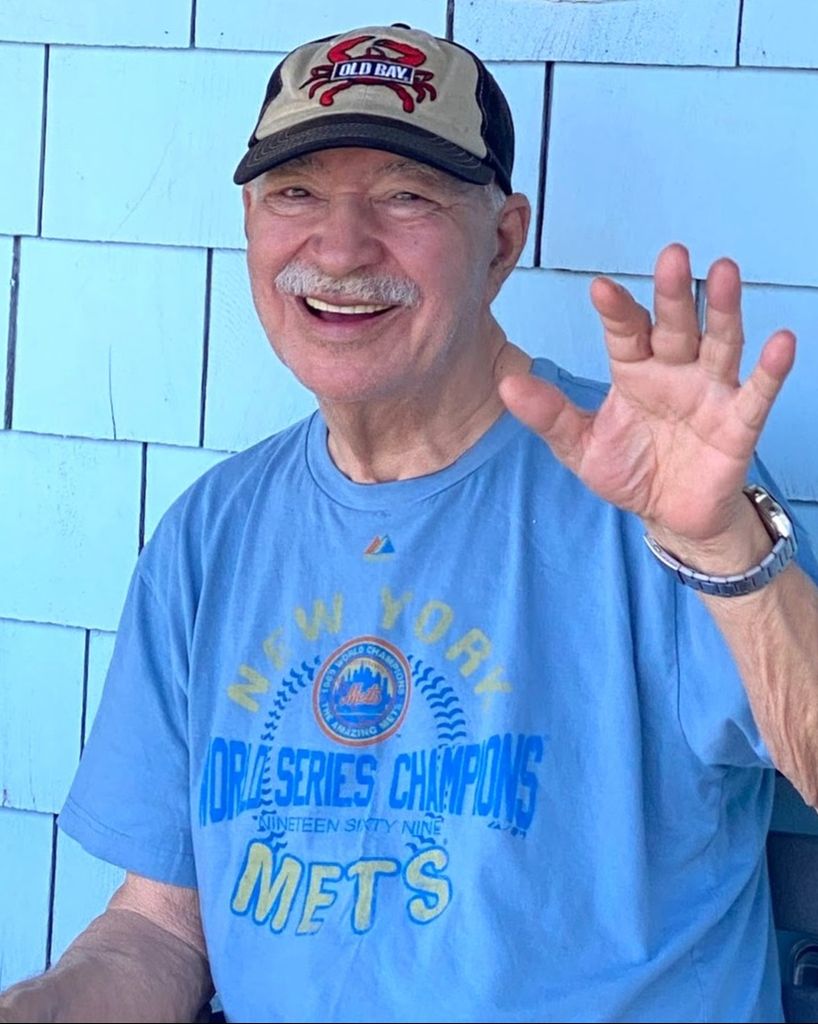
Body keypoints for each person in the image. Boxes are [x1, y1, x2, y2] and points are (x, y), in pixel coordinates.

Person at [1, 21, 817, 1024]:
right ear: (250, 221)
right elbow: (161, 928)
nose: (340, 248)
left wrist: (722, 548)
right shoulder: (210, 533)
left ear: (502, 242)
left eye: (405, 195)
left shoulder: (651, 491)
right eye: (295, 193)